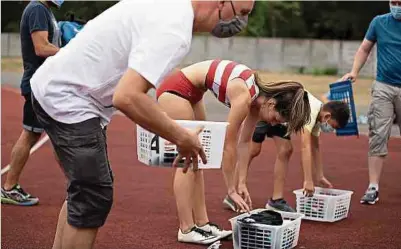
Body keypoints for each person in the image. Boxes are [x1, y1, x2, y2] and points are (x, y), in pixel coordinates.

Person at [29, 1, 255, 248]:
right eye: (242, 12)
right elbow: (127, 97)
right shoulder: (174, 29)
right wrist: (181, 136)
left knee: (84, 193)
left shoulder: (169, 9)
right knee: (92, 197)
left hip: (65, 90)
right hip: (68, 98)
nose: (242, 22)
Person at [156, 59, 312, 244]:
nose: (272, 124)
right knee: (188, 160)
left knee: (198, 157)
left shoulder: (256, 102)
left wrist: (241, 183)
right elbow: (228, 145)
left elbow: (244, 143)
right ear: (271, 104)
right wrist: (230, 190)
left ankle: (202, 224)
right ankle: (186, 228)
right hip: (176, 90)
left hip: (194, 93)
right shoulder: (244, 97)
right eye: (276, 119)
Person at [223, 90, 350, 212]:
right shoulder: (311, 111)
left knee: (286, 149)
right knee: (253, 150)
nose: (330, 129)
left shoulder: (318, 116)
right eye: (332, 126)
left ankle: (276, 200)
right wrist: (308, 180)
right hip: (271, 110)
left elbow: (315, 147)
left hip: (282, 119)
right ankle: (233, 194)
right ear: (328, 116)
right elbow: (305, 146)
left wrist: (320, 175)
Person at [1, 0, 62, 206]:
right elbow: (41, 47)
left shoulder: (44, 10)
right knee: (32, 134)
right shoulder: (37, 9)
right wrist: (72, 54)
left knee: (36, 133)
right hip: (38, 85)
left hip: (43, 84)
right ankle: (8, 187)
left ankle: (9, 186)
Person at [341, 0, 401, 205]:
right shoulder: (379, 22)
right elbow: (364, 48)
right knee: (378, 134)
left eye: (400, 2)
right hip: (383, 86)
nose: (396, 5)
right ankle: (373, 187)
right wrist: (354, 71)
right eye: (393, 2)